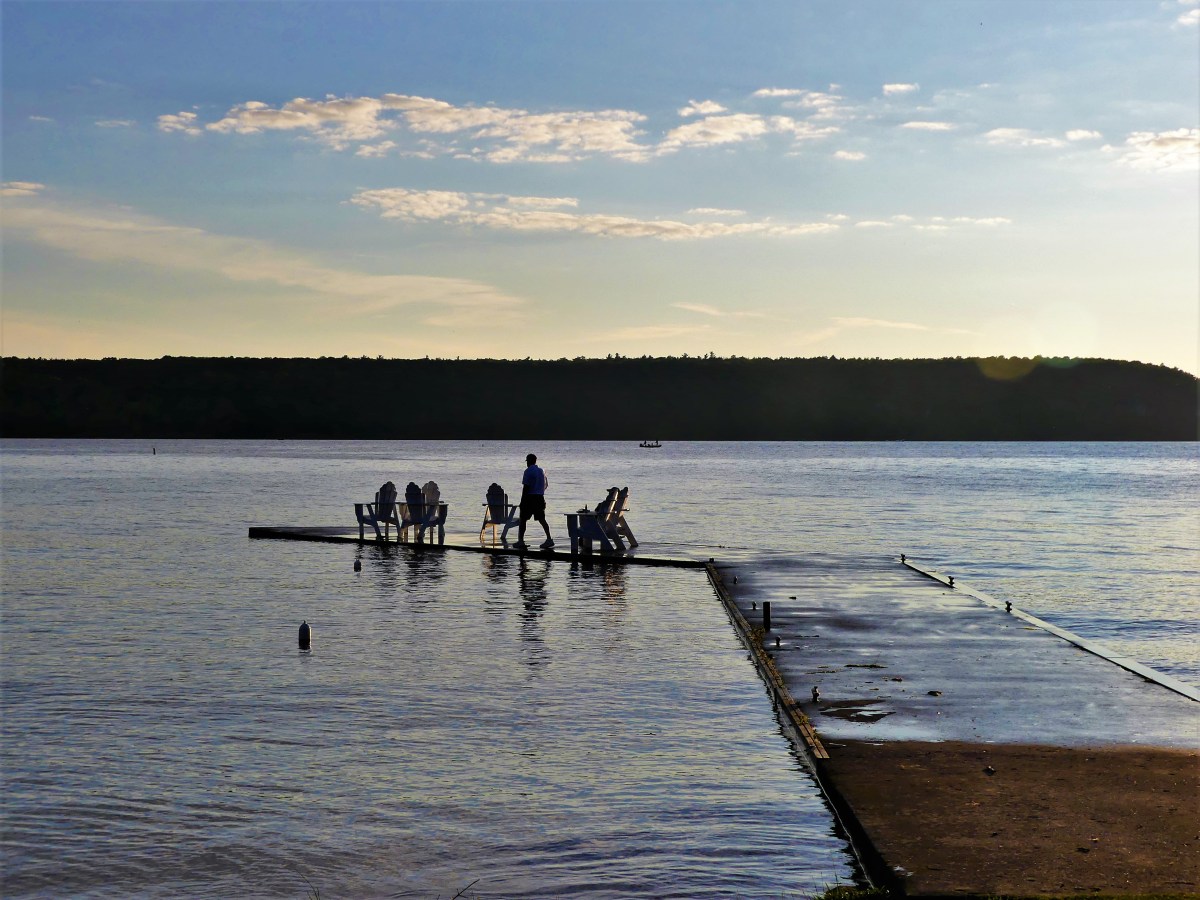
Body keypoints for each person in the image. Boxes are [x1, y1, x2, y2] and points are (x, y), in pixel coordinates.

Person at [515, 453, 554, 550]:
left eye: (527, 461)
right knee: (542, 519)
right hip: (540, 498)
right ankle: (549, 539)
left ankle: (521, 541)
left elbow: (526, 487)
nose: (527, 463)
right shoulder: (542, 471)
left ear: (529, 461)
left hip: (529, 498)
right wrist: (540, 495)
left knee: (523, 519)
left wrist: (522, 501)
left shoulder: (528, 471)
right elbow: (545, 485)